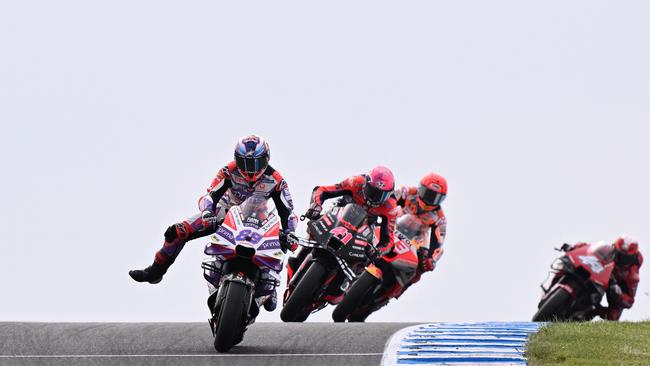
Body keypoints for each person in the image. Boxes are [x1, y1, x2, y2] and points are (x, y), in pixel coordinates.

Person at [129, 135, 297, 311]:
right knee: (176, 231)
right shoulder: (228, 170)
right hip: (225, 212)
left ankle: (270, 285)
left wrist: (289, 233)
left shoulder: (277, 180)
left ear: (266, 159)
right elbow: (209, 195)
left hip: (258, 217)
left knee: (283, 241)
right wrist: (208, 212)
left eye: (256, 162)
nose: (250, 170)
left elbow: (288, 212)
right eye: (244, 162)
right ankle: (155, 272)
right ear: (236, 159)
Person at [285, 166, 400, 284]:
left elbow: (388, 240)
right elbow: (322, 190)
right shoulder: (355, 182)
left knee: (364, 259)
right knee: (315, 230)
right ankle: (301, 257)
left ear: (389, 194)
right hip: (341, 211)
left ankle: (344, 284)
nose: (375, 198)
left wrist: (378, 251)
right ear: (366, 183)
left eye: (381, 195)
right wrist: (316, 206)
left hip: (365, 225)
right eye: (372, 191)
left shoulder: (390, 207)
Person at [562, 235, 643, 320]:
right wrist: (573, 247)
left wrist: (618, 294)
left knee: (613, 316)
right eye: (618, 254)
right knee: (567, 262)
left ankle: (586, 313)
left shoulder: (632, 276)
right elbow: (588, 248)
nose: (620, 259)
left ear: (633, 258)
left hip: (613, 286)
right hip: (597, 273)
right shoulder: (607, 250)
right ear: (614, 248)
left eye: (625, 258)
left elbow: (629, 301)